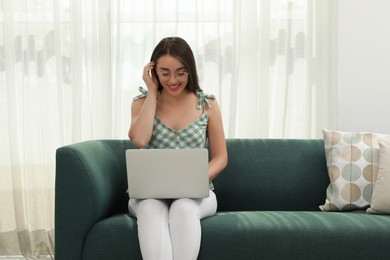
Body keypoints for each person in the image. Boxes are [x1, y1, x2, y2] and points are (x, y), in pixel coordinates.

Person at [127, 37, 228, 260]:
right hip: (149, 195)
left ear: (190, 70)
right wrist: (152, 92)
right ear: (154, 72)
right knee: (152, 209)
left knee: (182, 208)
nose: (173, 80)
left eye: (181, 72)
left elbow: (221, 158)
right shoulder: (141, 103)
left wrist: (193, 181)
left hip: (197, 194)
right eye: (165, 73)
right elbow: (140, 140)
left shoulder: (207, 104)